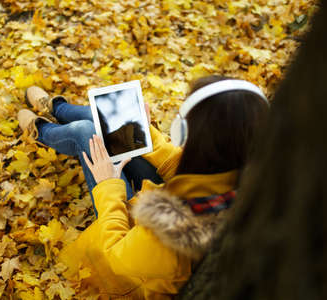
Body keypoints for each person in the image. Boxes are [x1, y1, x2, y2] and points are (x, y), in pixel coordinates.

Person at [17, 75, 269, 299]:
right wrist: (144, 132)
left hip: (130, 262)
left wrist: (108, 186)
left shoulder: (171, 231)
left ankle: (41, 131)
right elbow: (185, 166)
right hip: (161, 210)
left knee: (87, 133)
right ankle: (56, 107)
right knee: (107, 124)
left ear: (184, 133)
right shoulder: (247, 175)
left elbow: (114, 256)